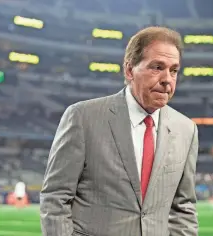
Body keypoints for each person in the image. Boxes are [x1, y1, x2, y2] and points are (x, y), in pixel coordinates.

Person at [40, 26, 199, 236]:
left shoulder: (186, 129)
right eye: (157, 67)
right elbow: (56, 197)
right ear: (129, 70)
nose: (167, 79)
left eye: (174, 70)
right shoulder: (83, 117)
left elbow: (183, 209)